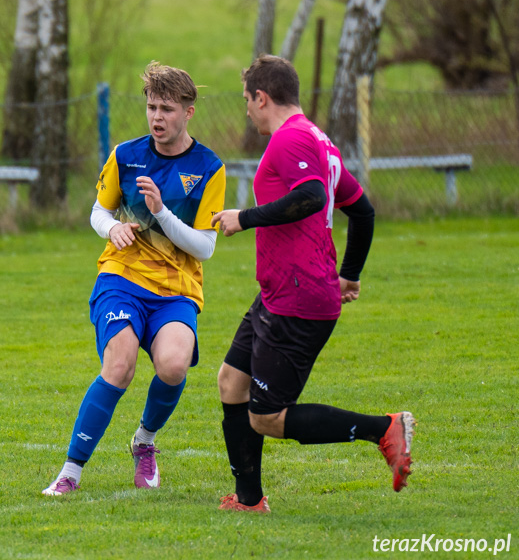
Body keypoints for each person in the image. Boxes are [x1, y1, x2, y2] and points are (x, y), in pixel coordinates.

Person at [210, 55, 415, 513]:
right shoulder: (319, 141)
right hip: (281, 291)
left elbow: (312, 198)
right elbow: (361, 211)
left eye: (247, 101)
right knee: (231, 382)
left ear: (262, 97)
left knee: (265, 417)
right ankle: (249, 500)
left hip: (297, 299)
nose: (246, 110)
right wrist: (350, 273)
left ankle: (382, 428)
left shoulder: (292, 139)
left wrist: (243, 218)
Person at [42, 62, 226, 496]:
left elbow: (205, 247)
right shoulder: (126, 154)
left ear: (188, 112)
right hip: (122, 279)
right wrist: (112, 229)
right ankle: (71, 471)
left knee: (174, 364)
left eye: (166, 109)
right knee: (119, 365)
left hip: (176, 290)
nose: (157, 117)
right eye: (151, 107)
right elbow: (98, 212)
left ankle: (144, 441)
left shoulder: (208, 167)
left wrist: (161, 212)